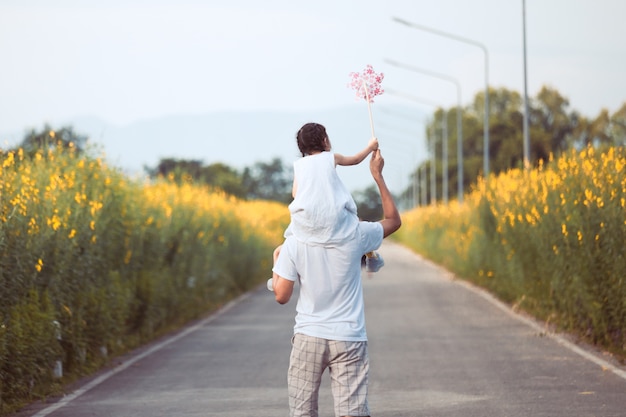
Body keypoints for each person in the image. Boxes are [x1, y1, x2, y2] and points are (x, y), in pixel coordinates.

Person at [271, 146, 401, 417]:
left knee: (303, 412)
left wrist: (276, 262)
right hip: (349, 337)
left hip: (309, 336)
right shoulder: (356, 233)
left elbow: (281, 295)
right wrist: (377, 175)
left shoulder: (293, 242)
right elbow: (393, 220)